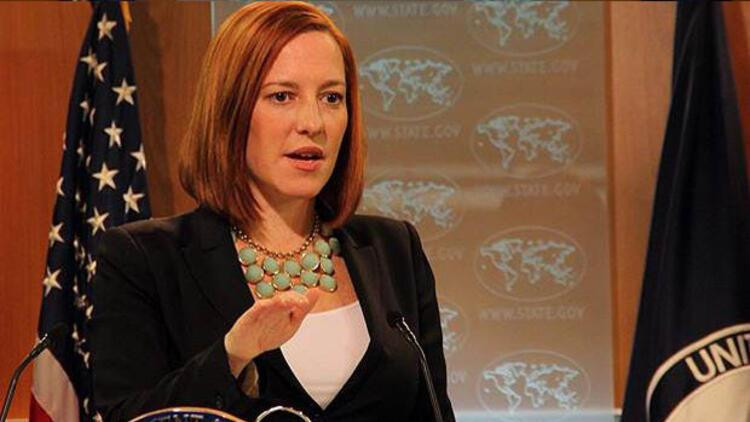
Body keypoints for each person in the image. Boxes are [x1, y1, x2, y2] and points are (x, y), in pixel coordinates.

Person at [91, 2, 455, 421]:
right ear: (229, 111)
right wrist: (232, 355)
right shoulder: (144, 259)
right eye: (282, 96)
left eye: (331, 97)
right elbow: (128, 416)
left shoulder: (395, 249)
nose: (313, 122)